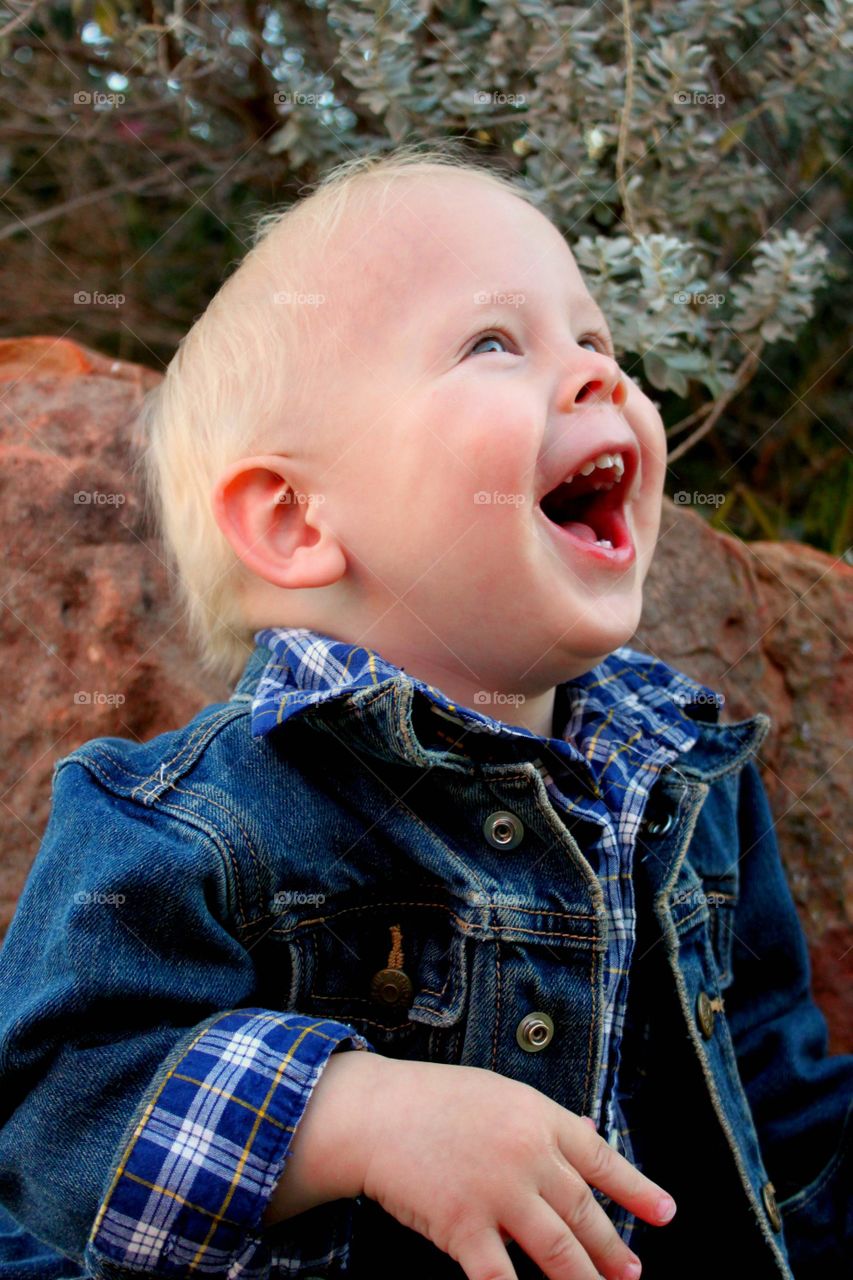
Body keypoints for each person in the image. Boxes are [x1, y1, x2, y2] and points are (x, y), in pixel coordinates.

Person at [0, 143, 849, 1280]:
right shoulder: (195, 818)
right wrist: (356, 1116)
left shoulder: (688, 780)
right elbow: (54, 1105)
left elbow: (776, 1108)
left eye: (595, 339)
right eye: (493, 342)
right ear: (298, 520)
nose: (599, 375)